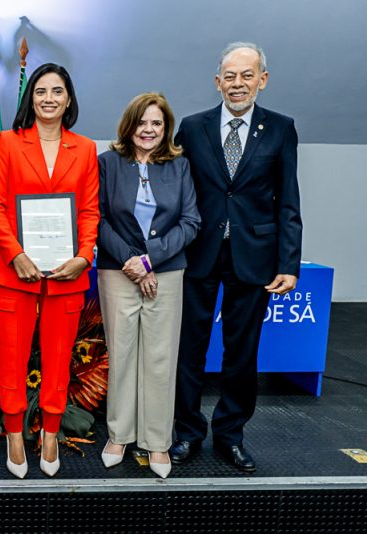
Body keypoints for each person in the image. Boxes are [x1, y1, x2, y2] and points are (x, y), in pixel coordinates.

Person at [170, 43, 302, 472]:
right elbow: (174, 191)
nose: (238, 84)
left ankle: (230, 436)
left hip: (255, 259)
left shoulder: (281, 129)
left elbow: (288, 201)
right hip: (197, 256)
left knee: (241, 354)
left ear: (262, 79)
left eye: (247, 75)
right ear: (217, 82)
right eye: (230, 76)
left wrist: (289, 263)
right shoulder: (192, 128)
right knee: (188, 350)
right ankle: (187, 433)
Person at [0, 63, 99, 478]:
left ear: (69, 99)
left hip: (66, 275)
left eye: (57, 91)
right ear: (30, 98)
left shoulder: (84, 149)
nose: (48, 98)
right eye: (41, 91)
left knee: (58, 359)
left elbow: (89, 210)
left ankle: (50, 433)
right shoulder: (10, 144)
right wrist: (16, 254)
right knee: (11, 360)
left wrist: (84, 256)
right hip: (13, 272)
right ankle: (15, 433)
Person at [96, 93, 200, 478]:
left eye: (156, 123)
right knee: (121, 354)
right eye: (142, 122)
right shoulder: (107, 163)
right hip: (117, 271)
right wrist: (132, 262)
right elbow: (99, 219)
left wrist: (149, 259)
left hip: (167, 272)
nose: (149, 130)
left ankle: (157, 442)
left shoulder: (180, 166)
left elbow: (191, 222)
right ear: (129, 125)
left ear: (165, 128)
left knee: (160, 358)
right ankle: (119, 435)